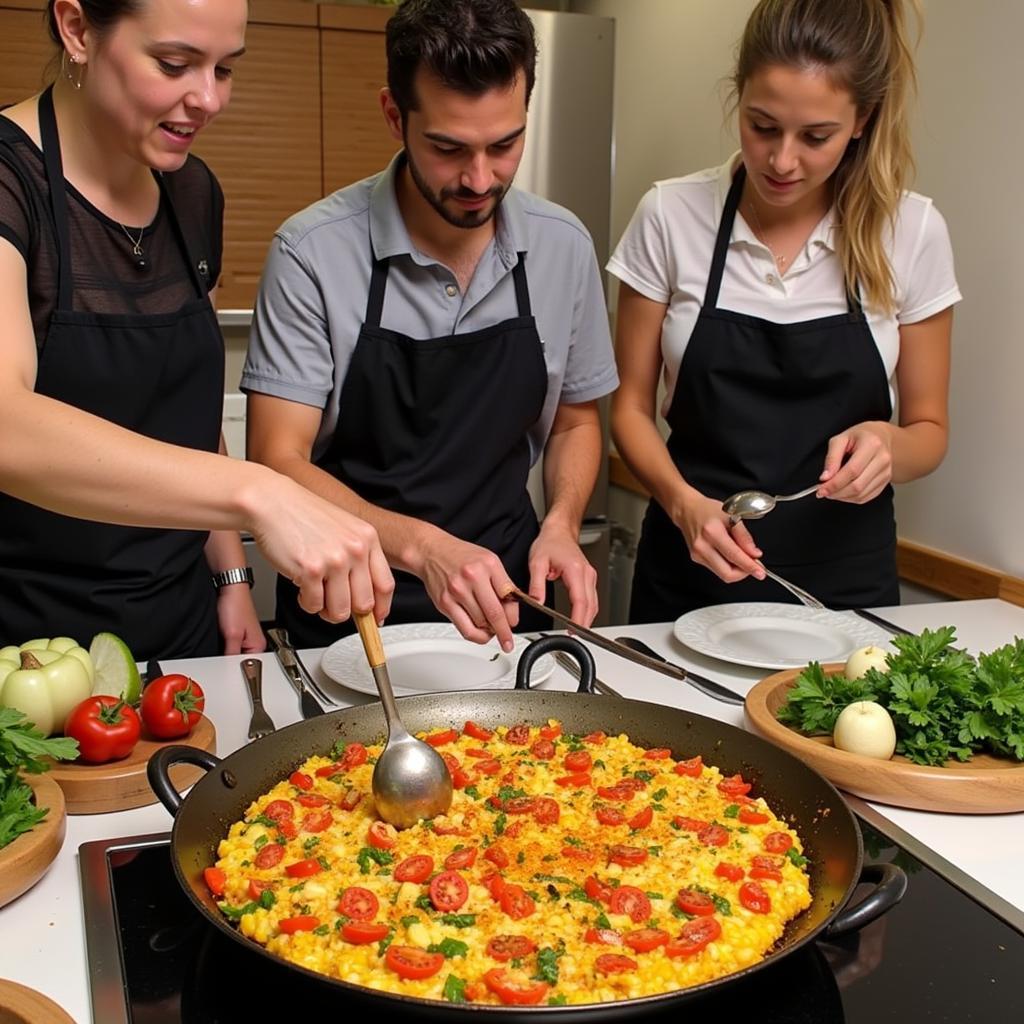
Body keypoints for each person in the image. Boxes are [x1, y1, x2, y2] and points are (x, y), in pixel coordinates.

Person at [0, 0, 393, 661]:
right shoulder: (13, 183)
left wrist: (230, 575)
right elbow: (8, 425)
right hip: (31, 648)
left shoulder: (192, 191)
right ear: (77, 29)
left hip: (181, 621)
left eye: (225, 69)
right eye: (175, 64)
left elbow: (186, 409)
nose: (207, 99)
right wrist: (258, 493)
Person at [243, 0, 618, 652]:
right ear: (395, 115)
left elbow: (577, 421)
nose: (479, 178)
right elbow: (278, 459)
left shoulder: (564, 247)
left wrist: (560, 522)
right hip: (353, 612)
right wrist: (426, 547)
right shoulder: (313, 251)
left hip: (506, 605)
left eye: (505, 145)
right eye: (449, 148)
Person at [608, 0, 959, 621]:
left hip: (845, 596)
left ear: (861, 121)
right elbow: (630, 409)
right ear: (737, 97)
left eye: (815, 136)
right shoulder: (670, 216)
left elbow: (929, 433)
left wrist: (886, 445)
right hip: (689, 578)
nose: (782, 160)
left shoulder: (911, 230)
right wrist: (683, 503)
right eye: (762, 125)